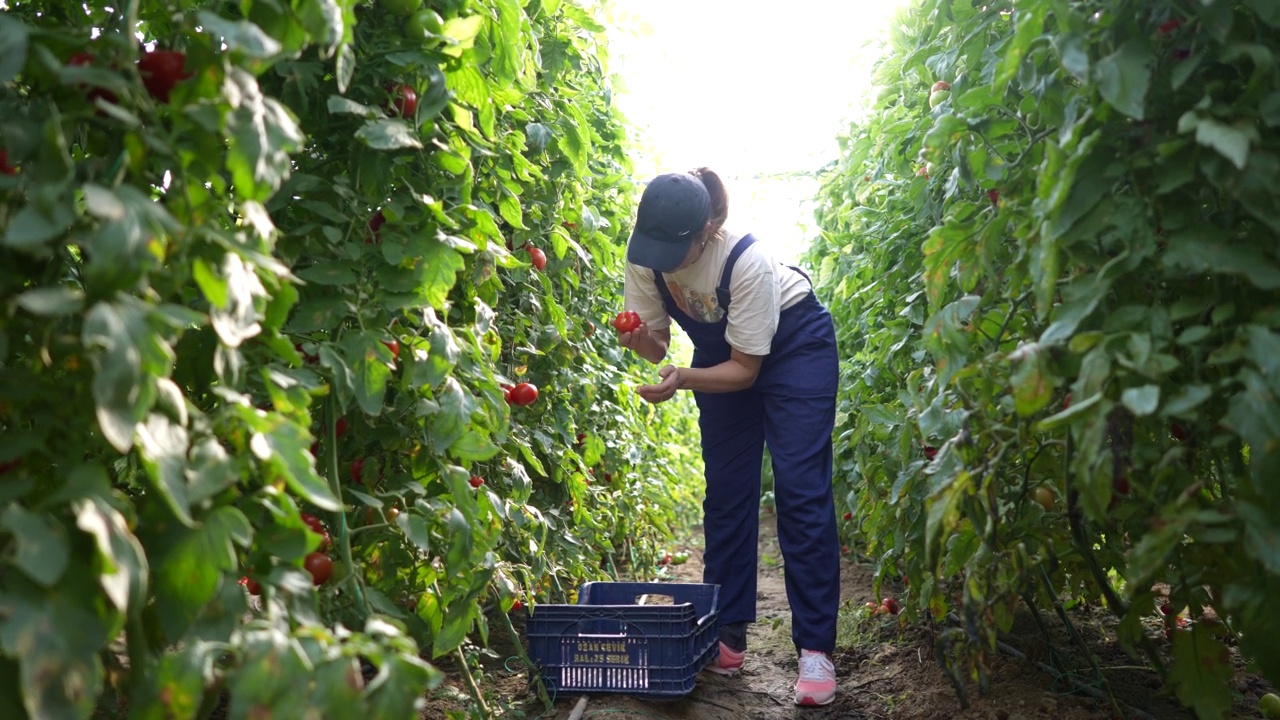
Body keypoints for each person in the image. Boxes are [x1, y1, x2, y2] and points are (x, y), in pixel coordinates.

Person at [617, 168, 842, 707]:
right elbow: (656, 345)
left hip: (794, 346)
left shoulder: (746, 260)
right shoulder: (647, 252)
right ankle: (727, 634)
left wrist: (685, 379)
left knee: (800, 491)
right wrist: (634, 339)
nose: (663, 259)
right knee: (726, 496)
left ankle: (815, 650)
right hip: (723, 355)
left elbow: (745, 371)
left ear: (708, 230)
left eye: (677, 249)